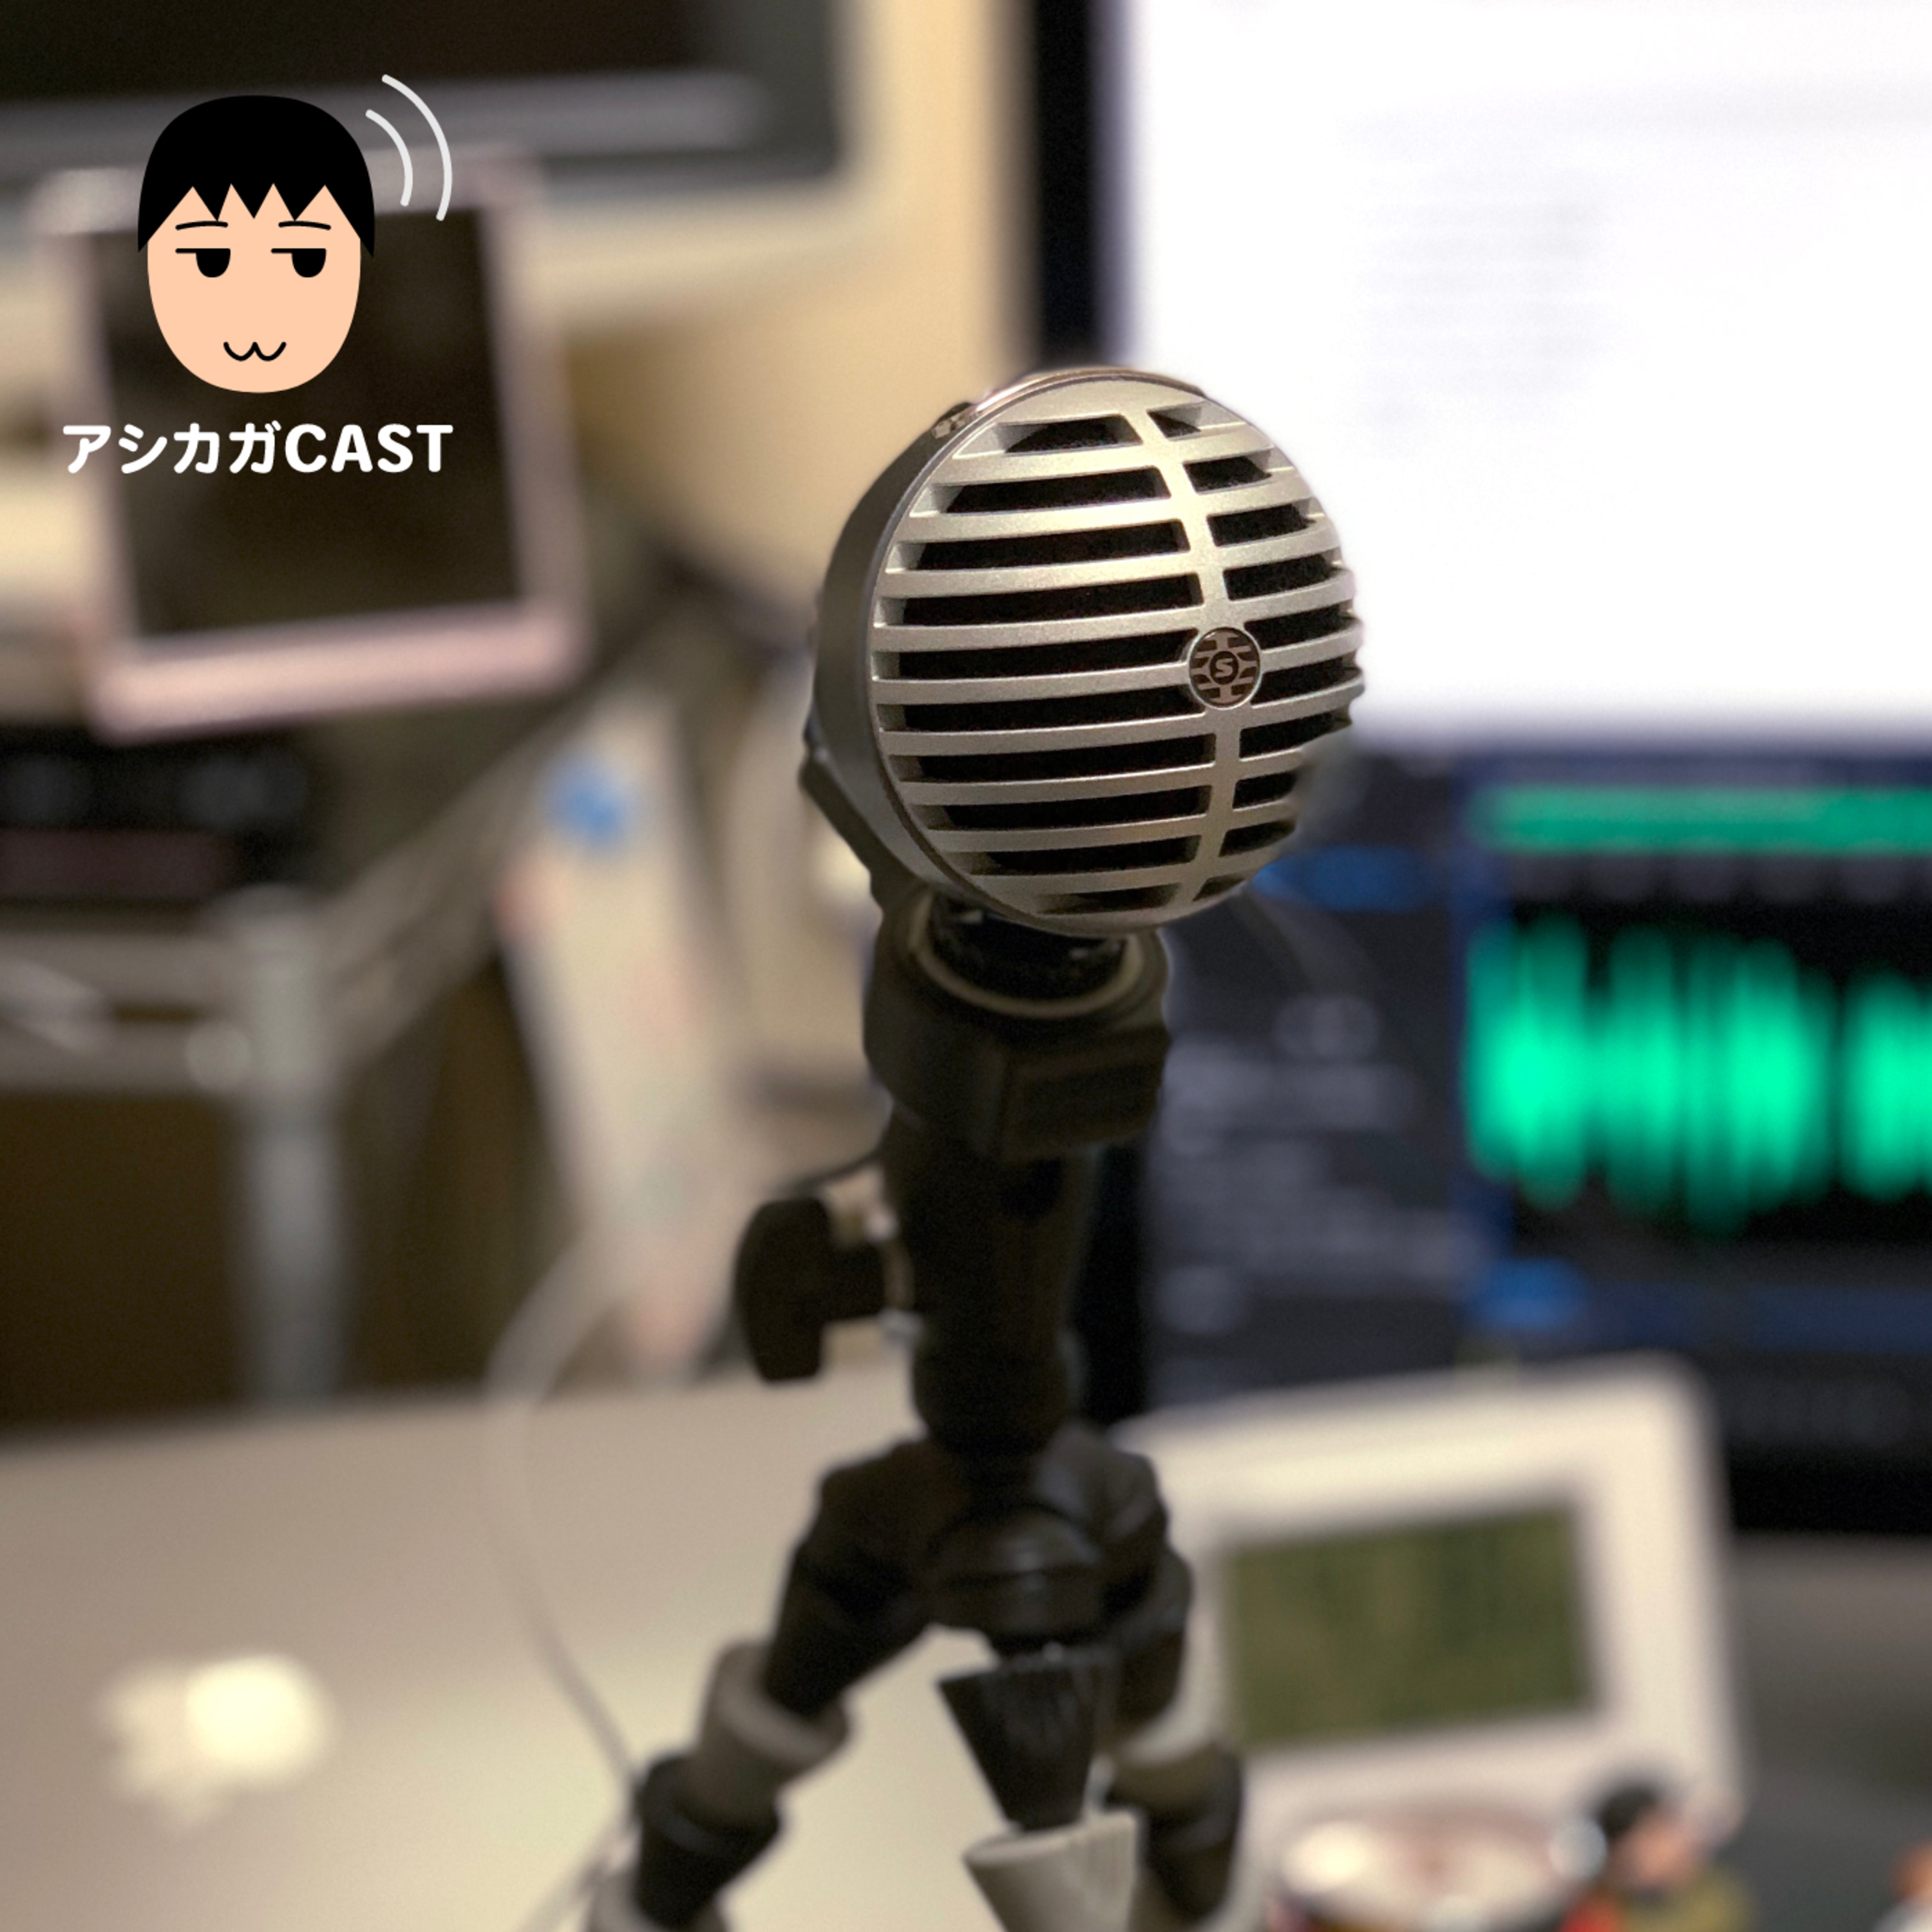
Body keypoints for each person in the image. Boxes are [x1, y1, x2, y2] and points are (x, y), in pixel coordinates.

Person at [1559, 1781, 1752, 1932]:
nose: (1670, 1846)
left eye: (1666, 1826)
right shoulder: (1600, 1917)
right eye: (1652, 1836)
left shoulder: (1718, 1892)